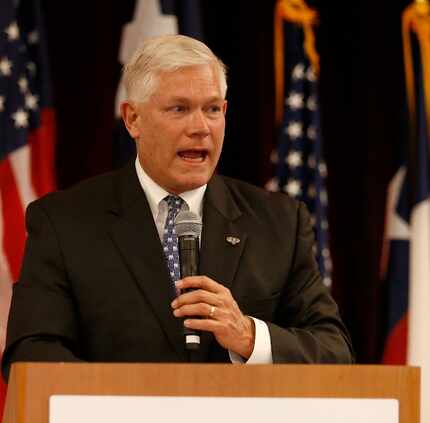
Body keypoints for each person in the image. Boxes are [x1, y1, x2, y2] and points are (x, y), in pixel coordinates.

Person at [1, 35, 353, 381]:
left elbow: (334, 352)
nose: (200, 128)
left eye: (212, 109)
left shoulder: (279, 222)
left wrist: (249, 337)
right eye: (179, 109)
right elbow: (31, 352)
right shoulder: (65, 222)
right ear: (133, 119)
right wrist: (128, 402)